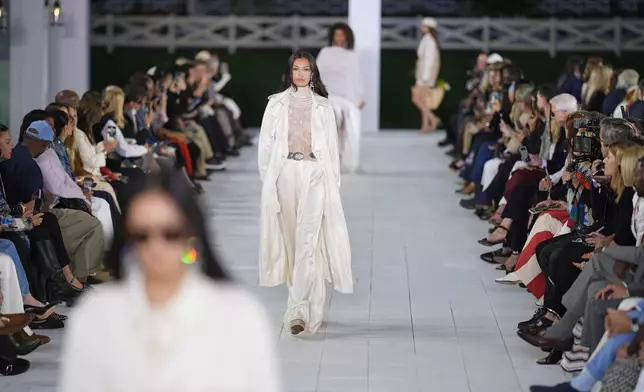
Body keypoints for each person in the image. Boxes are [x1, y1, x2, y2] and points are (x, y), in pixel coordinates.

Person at [59, 169, 280, 391]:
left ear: (192, 235)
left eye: (170, 233)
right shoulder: (97, 316)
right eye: (141, 235)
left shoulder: (238, 316)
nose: (156, 247)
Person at [258, 51, 353, 336]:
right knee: (292, 243)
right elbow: (265, 148)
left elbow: (333, 152)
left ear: (314, 74)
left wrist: (331, 185)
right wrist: (269, 184)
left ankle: (296, 309)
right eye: (296, 69)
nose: (300, 74)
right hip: (285, 172)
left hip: (315, 174)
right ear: (290, 72)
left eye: (306, 69)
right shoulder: (275, 104)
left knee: (308, 241)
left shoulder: (324, 107)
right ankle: (311, 307)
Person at [317, 22, 364, 173]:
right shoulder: (325, 52)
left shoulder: (352, 55)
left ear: (347, 37)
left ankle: (345, 163)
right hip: (329, 95)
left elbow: (356, 77)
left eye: (342, 35)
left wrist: (360, 97)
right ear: (332, 36)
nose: (339, 38)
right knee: (330, 130)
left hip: (347, 96)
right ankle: (329, 162)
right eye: (337, 35)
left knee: (348, 132)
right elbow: (317, 73)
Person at [411, 17, 441, 132]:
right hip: (423, 74)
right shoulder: (427, 39)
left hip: (425, 76)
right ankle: (426, 124)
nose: (422, 27)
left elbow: (429, 60)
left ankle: (433, 119)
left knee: (416, 98)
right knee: (423, 100)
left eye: (424, 26)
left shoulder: (430, 41)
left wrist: (425, 77)